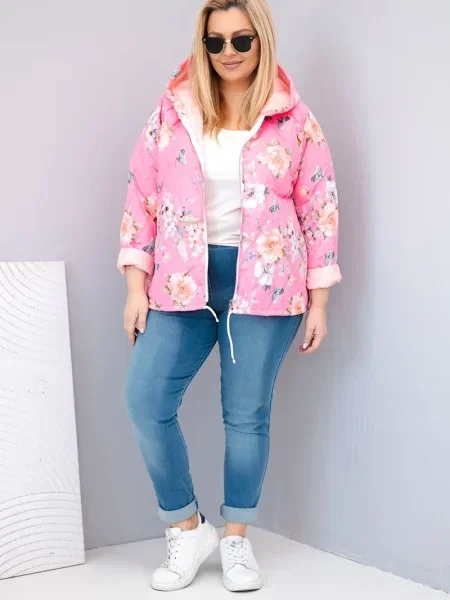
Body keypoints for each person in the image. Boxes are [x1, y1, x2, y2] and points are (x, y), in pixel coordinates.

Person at [118, 0, 341, 592]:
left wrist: (319, 301)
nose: (228, 52)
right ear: (203, 46)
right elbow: (142, 194)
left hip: (266, 284)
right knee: (145, 399)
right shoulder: (173, 110)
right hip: (181, 280)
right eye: (215, 42)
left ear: (261, 40)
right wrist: (135, 285)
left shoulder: (294, 119)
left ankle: (236, 539)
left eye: (241, 39)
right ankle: (188, 528)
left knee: (246, 416)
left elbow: (319, 206)